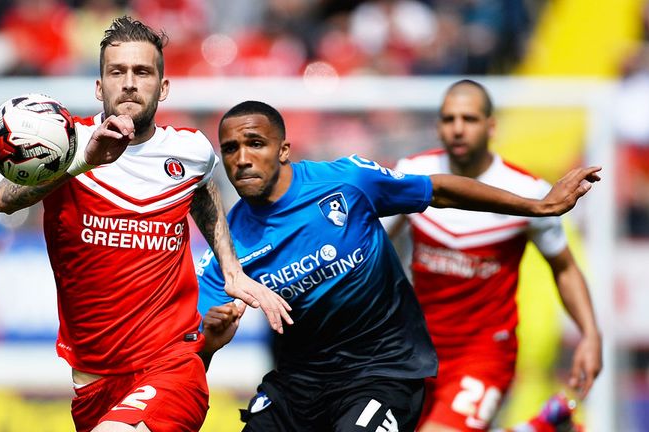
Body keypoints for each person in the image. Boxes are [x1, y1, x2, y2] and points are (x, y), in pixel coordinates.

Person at [196, 100, 601, 432]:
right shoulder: (226, 249)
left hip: (383, 369)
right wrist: (211, 341)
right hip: (297, 384)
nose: (243, 159)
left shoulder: (348, 183)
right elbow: (189, 349)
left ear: (283, 150)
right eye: (230, 149)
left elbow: (436, 190)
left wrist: (538, 206)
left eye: (255, 144)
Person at [0, 16, 290, 432]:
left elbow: (203, 190)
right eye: (118, 72)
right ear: (100, 87)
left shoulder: (189, 151)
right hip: (94, 383)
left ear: (163, 87)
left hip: (172, 366)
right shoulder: (67, 145)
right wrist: (83, 162)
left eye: (142, 72)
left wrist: (232, 270)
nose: (130, 83)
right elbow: (4, 199)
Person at [384, 80, 602, 431]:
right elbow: (372, 242)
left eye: (469, 119)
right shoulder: (413, 174)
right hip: (415, 349)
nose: (458, 129)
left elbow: (564, 268)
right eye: (449, 119)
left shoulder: (527, 191)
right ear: (438, 126)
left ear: (491, 126)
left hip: (484, 353)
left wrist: (590, 335)